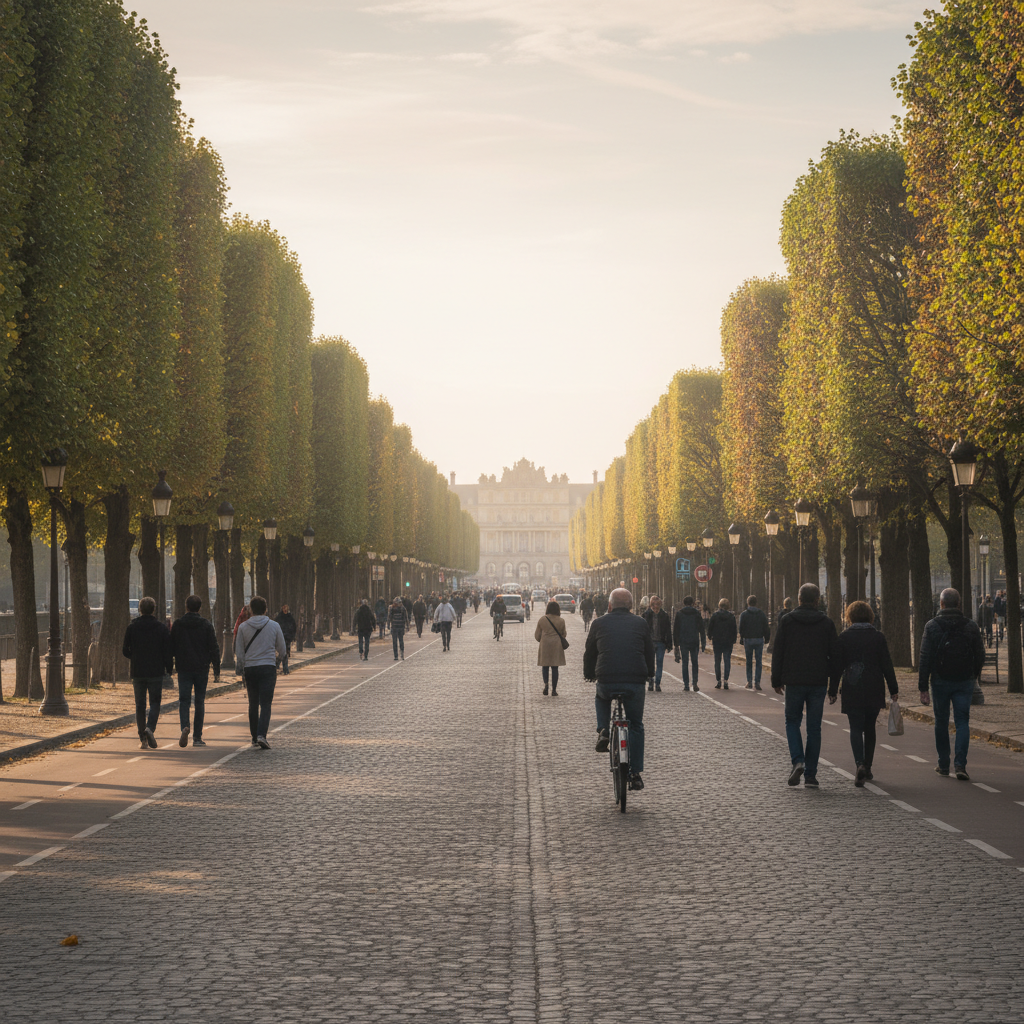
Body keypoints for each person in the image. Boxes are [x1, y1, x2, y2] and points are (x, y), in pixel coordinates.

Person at [584, 588, 653, 791]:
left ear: (609, 605)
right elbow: (649, 651)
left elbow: (590, 653)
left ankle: (604, 729)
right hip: (635, 680)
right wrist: (649, 673)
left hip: (607, 678)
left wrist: (590, 674)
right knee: (636, 725)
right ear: (631, 606)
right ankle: (635, 773)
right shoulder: (641, 623)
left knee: (601, 697)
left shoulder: (598, 623)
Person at [771, 583, 839, 788]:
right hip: (818, 681)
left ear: (799, 600)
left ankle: (797, 760)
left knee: (792, 722)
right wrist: (833, 687)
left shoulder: (787, 621)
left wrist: (776, 679)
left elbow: (778, 651)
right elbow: (835, 656)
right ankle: (811, 774)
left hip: (794, 680)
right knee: (814, 729)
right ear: (817, 600)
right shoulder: (826, 623)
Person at [918, 587, 985, 781]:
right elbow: (979, 653)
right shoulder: (970, 626)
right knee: (962, 721)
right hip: (964, 680)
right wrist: (974, 675)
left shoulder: (931, 626)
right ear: (959, 604)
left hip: (940, 680)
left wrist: (923, 687)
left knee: (941, 721)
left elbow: (925, 657)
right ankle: (960, 765)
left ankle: (943, 764)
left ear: (941, 604)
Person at [830, 601, 899, 785]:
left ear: (849, 616)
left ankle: (859, 762)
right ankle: (868, 767)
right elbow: (886, 664)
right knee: (870, 728)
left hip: (852, 686)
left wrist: (832, 689)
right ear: (870, 616)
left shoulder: (844, 637)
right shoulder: (878, 637)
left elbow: (837, 665)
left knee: (855, 727)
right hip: (873, 686)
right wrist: (894, 689)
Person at [235, 595, 287, 750]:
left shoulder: (243, 627)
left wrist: (243, 666)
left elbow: (239, 651)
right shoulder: (274, 626)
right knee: (265, 703)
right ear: (266, 610)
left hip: (250, 668)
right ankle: (261, 735)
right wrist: (277, 660)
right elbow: (282, 649)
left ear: (251, 610)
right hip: (268, 667)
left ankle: (253, 736)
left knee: (253, 702)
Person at [122, 596, 173, 749]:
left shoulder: (132, 627)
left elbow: (125, 650)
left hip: (137, 671)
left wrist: (135, 657)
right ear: (153, 610)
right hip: (155, 671)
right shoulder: (161, 628)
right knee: (155, 703)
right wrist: (168, 668)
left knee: (140, 705)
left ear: (140, 610)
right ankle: (150, 728)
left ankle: (142, 738)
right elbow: (167, 651)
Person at [170, 595, 221, 748]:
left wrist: (170, 665)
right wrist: (216, 668)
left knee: (184, 700)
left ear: (186, 607)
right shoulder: (206, 625)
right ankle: (197, 737)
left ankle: (185, 726)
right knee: (199, 702)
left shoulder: (178, 625)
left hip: (184, 667)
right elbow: (214, 647)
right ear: (200, 608)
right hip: (201, 667)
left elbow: (171, 646)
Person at [672, 595, 706, 692]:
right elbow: (701, 629)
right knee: (695, 663)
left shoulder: (679, 614)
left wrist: (676, 644)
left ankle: (686, 684)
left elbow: (676, 630)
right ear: (693, 603)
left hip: (683, 641)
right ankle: (694, 682)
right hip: (694, 641)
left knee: (685, 663)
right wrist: (703, 642)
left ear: (684, 603)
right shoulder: (696, 613)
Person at [535, 600, 567, 696]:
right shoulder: (561, 621)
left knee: (545, 666)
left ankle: (546, 685)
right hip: (556, 645)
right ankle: (554, 690)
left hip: (545, 644)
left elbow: (537, 635)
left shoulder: (542, 620)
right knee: (554, 667)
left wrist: (542, 639)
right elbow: (564, 634)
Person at [641, 594, 672, 692]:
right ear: (651, 606)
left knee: (659, 663)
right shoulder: (646, 615)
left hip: (660, 643)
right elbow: (642, 630)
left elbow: (668, 630)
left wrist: (669, 643)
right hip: (649, 643)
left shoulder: (665, 615)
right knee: (650, 663)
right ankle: (651, 682)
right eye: (654, 606)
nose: (655, 608)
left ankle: (657, 683)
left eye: (657, 606)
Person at [739, 595, 771, 690]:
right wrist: (767, 638)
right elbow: (766, 626)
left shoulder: (744, 614)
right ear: (756, 603)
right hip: (758, 639)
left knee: (749, 661)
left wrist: (742, 637)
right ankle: (757, 682)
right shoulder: (761, 614)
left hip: (748, 639)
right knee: (758, 661)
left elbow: (741, 628)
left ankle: (749, 681)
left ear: (748, 603)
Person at [707, 598, 737, 689]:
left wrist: (710, 636)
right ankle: (726, 681)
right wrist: (733, 639)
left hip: (717, 641)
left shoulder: (715, 616)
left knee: (717, 660)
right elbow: (734, 629)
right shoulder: (731, 617)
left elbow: (710, 627)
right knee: (727, 660)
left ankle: (718, 680)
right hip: (728, 641)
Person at [274, 603, 297, 674]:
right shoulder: (279, 617)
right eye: (283, 608)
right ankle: (284, 668)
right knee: (282, 652)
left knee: (285, 652)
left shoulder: (290, 617)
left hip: (288, 637)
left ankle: (280, 665)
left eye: (286, 607)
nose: (285, 609)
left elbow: (294, 627)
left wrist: (292, 636)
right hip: (280, 637)